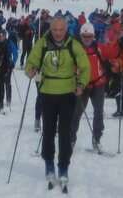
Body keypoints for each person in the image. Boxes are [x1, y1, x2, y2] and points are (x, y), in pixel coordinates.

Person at [25, 16, 90, 188]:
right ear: (50, 29)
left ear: (66, 29)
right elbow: (31, 62)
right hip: (47, 93)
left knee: (65, 133)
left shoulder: (73, 44)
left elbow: (85, 67)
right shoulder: (43, 43)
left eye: (61, 30)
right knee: (48, 131)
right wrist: (30, 70)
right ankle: (49, 163)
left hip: (68, 93)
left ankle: (63, 166)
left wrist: (81, 84)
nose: (58, 33)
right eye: (55, 30)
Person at [73, 23, 108, 152]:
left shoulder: (99, 47)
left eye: (90, 36)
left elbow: (109, 58)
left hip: (98, 83)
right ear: (80, 36)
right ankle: (71, 139)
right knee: (76, 113)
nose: (87, 39)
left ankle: (97, 139)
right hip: (82, 85)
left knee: (99, 112)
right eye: (84, 36)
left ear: (93, 36)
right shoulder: (76, 49)